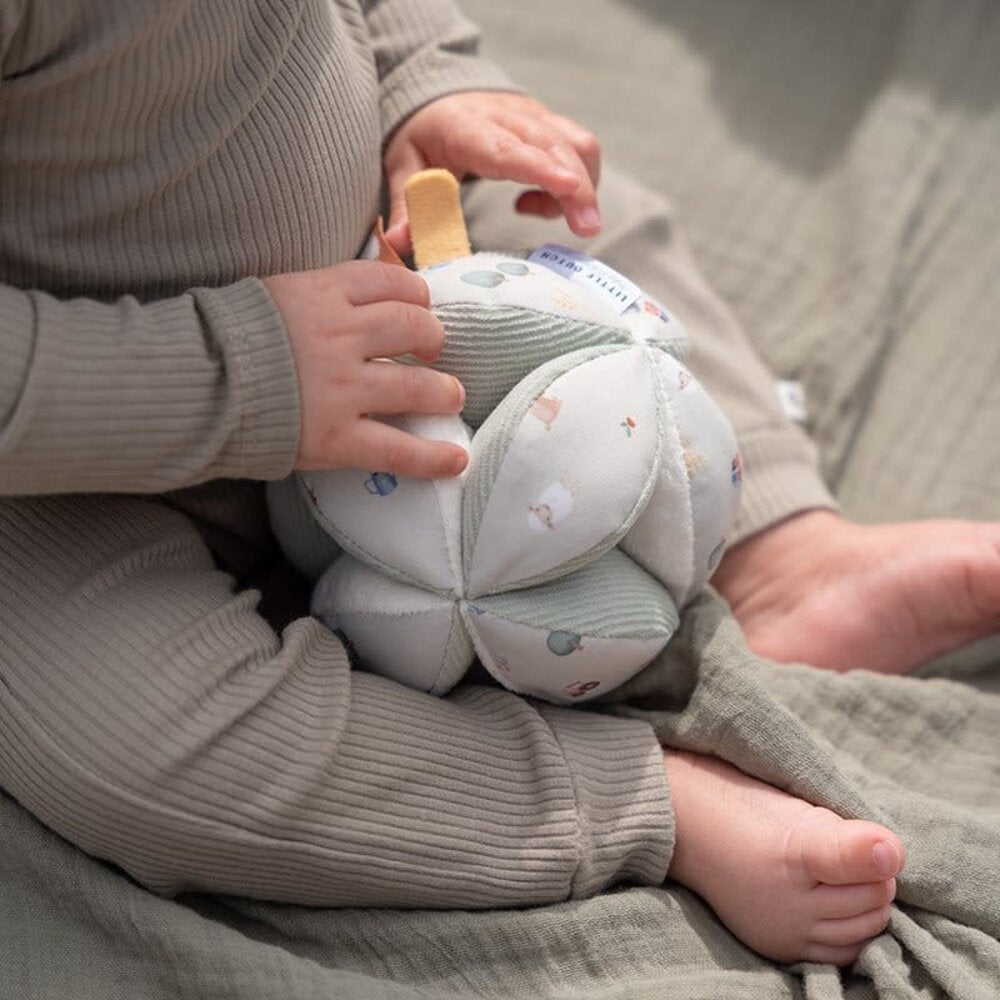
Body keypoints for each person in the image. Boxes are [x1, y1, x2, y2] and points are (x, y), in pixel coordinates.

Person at [1, 0, 996, 968]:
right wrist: (243, 376)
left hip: (380, 255)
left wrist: (427, 81)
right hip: (71, 475)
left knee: (569, 232)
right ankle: (633, 797)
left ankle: (776, 547)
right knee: (148, 754)